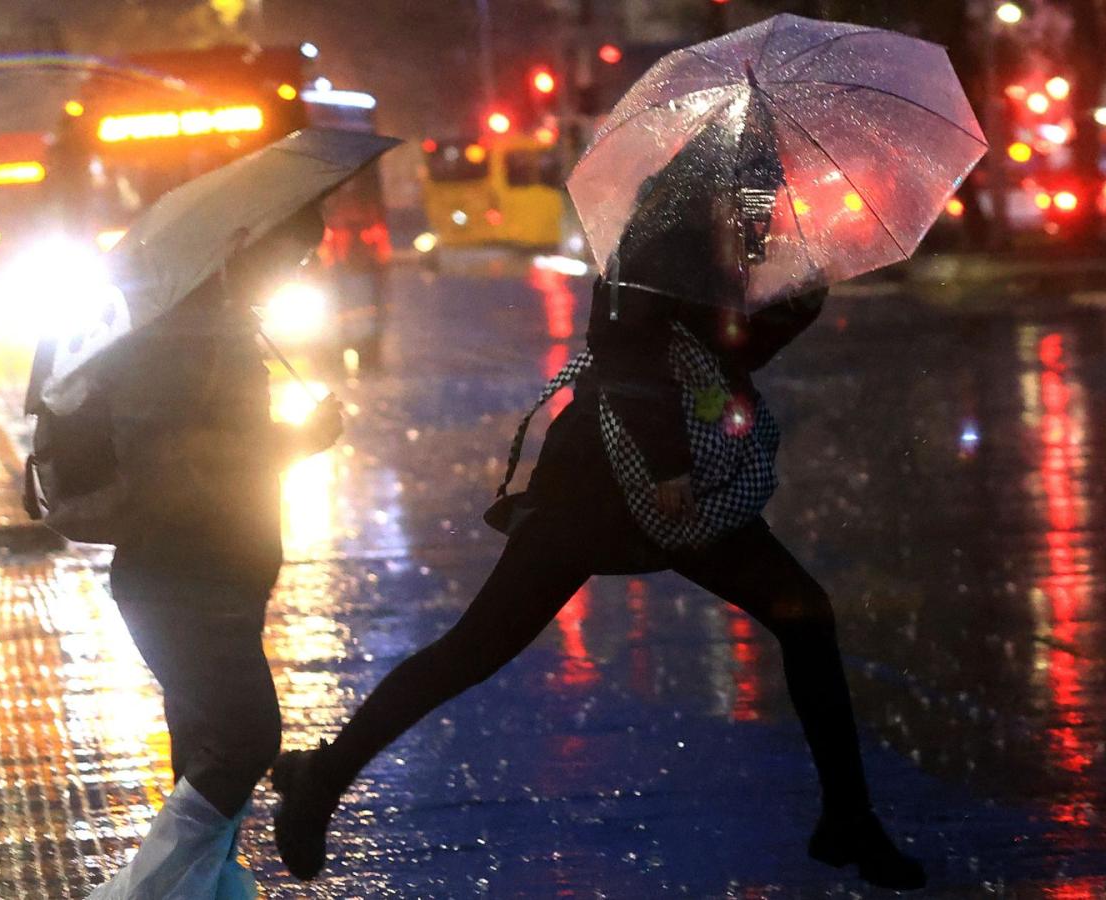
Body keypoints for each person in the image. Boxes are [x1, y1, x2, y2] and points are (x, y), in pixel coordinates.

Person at [270, 112, 928, 892]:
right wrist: (667, 463)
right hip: (608, 474)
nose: (769, 200)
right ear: (725, 173)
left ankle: (847, 818)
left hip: (674, 468)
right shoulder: (665, 231)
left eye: (771, 187)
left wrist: (790, 300)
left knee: (805, 614)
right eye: (761, 183)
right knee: (478, 646)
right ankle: (322, 777)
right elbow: (623, 346)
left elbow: (726, 351)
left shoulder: (722, 238)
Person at [90, 206, 343, 898]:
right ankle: (140, 893)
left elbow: (218, 452)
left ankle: (196, 889)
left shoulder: (220, 326)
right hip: (181, 573)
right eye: (291, 255)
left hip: (214, 573)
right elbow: (174, 460)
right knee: (246, 737)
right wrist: (297, 440)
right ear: (245, 243)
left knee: (204, 749)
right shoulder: (187, 334)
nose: (296, 271)